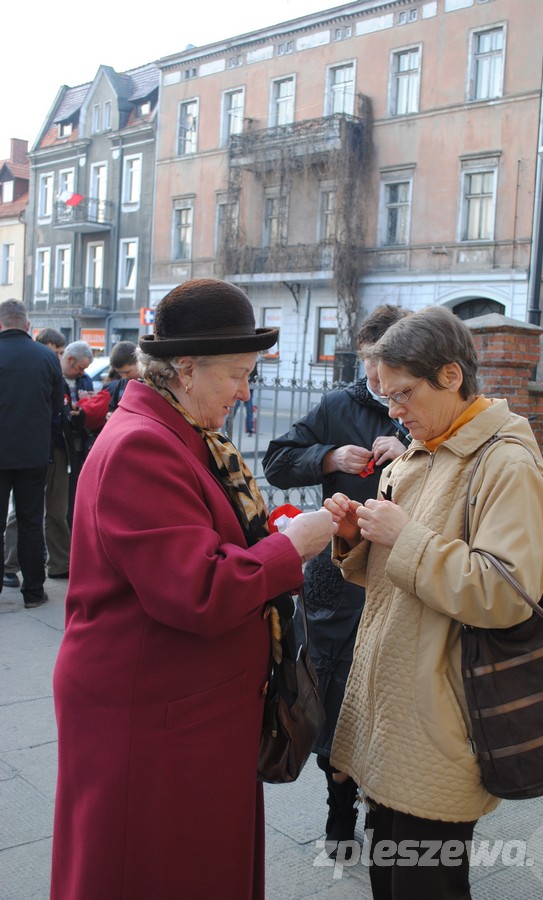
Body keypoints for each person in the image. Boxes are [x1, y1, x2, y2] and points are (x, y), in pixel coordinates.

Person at [50, 278, 336, 900]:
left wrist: (272, 535)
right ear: (185, 369)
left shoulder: (179, 431)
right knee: (149, 870)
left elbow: (205, 542)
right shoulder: (143, 447)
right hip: (152, 714)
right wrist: (293, 548)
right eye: (237, 373)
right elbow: (199, 590)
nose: (245, 389)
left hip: (185, 705)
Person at [324, 306, 543, 900]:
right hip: (393, 708)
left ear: (452, 376)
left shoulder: (505, 461)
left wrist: (403, 536)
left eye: (403, 393)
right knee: (391, 876)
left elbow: (506, 593)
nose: (393, 409)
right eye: (387, 393)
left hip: (444, 718)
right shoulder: (419, 450)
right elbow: (393, 581)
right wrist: (355, 538)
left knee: (427, 885)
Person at [262, 305, 409, 852]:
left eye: (386, 364)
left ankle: (383, 806)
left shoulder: (424, 411)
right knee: (335, 689)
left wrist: (413, 452)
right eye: (369, 362)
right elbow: (277, 461)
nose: (376, 378)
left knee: (389, 693)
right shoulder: (338, 404)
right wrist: (326, 458)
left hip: (400, 574)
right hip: (338, 578)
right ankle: (339, 808)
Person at [0, 300, 63, 608]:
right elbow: (58, 407)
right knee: (30, 521)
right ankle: (34, 592)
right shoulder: (47, 357)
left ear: (1, 324)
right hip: (33, 454)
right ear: (27, 325)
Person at [60, 341, 94, 529]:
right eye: (80, 368)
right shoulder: (55, 377)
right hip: (60, 442)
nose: (82, 373)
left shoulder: (85, 379)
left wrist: (86, 406)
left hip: (79, 443)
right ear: (69, 359)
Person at [231, 363, 257, 435]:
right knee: (233, 410)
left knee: (249, 411)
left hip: (249, 392)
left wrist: (253, 383)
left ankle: (250, 429)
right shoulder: (242, 365)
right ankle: (228, 426)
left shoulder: (254, 365)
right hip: (239, 392)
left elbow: (255, 376)